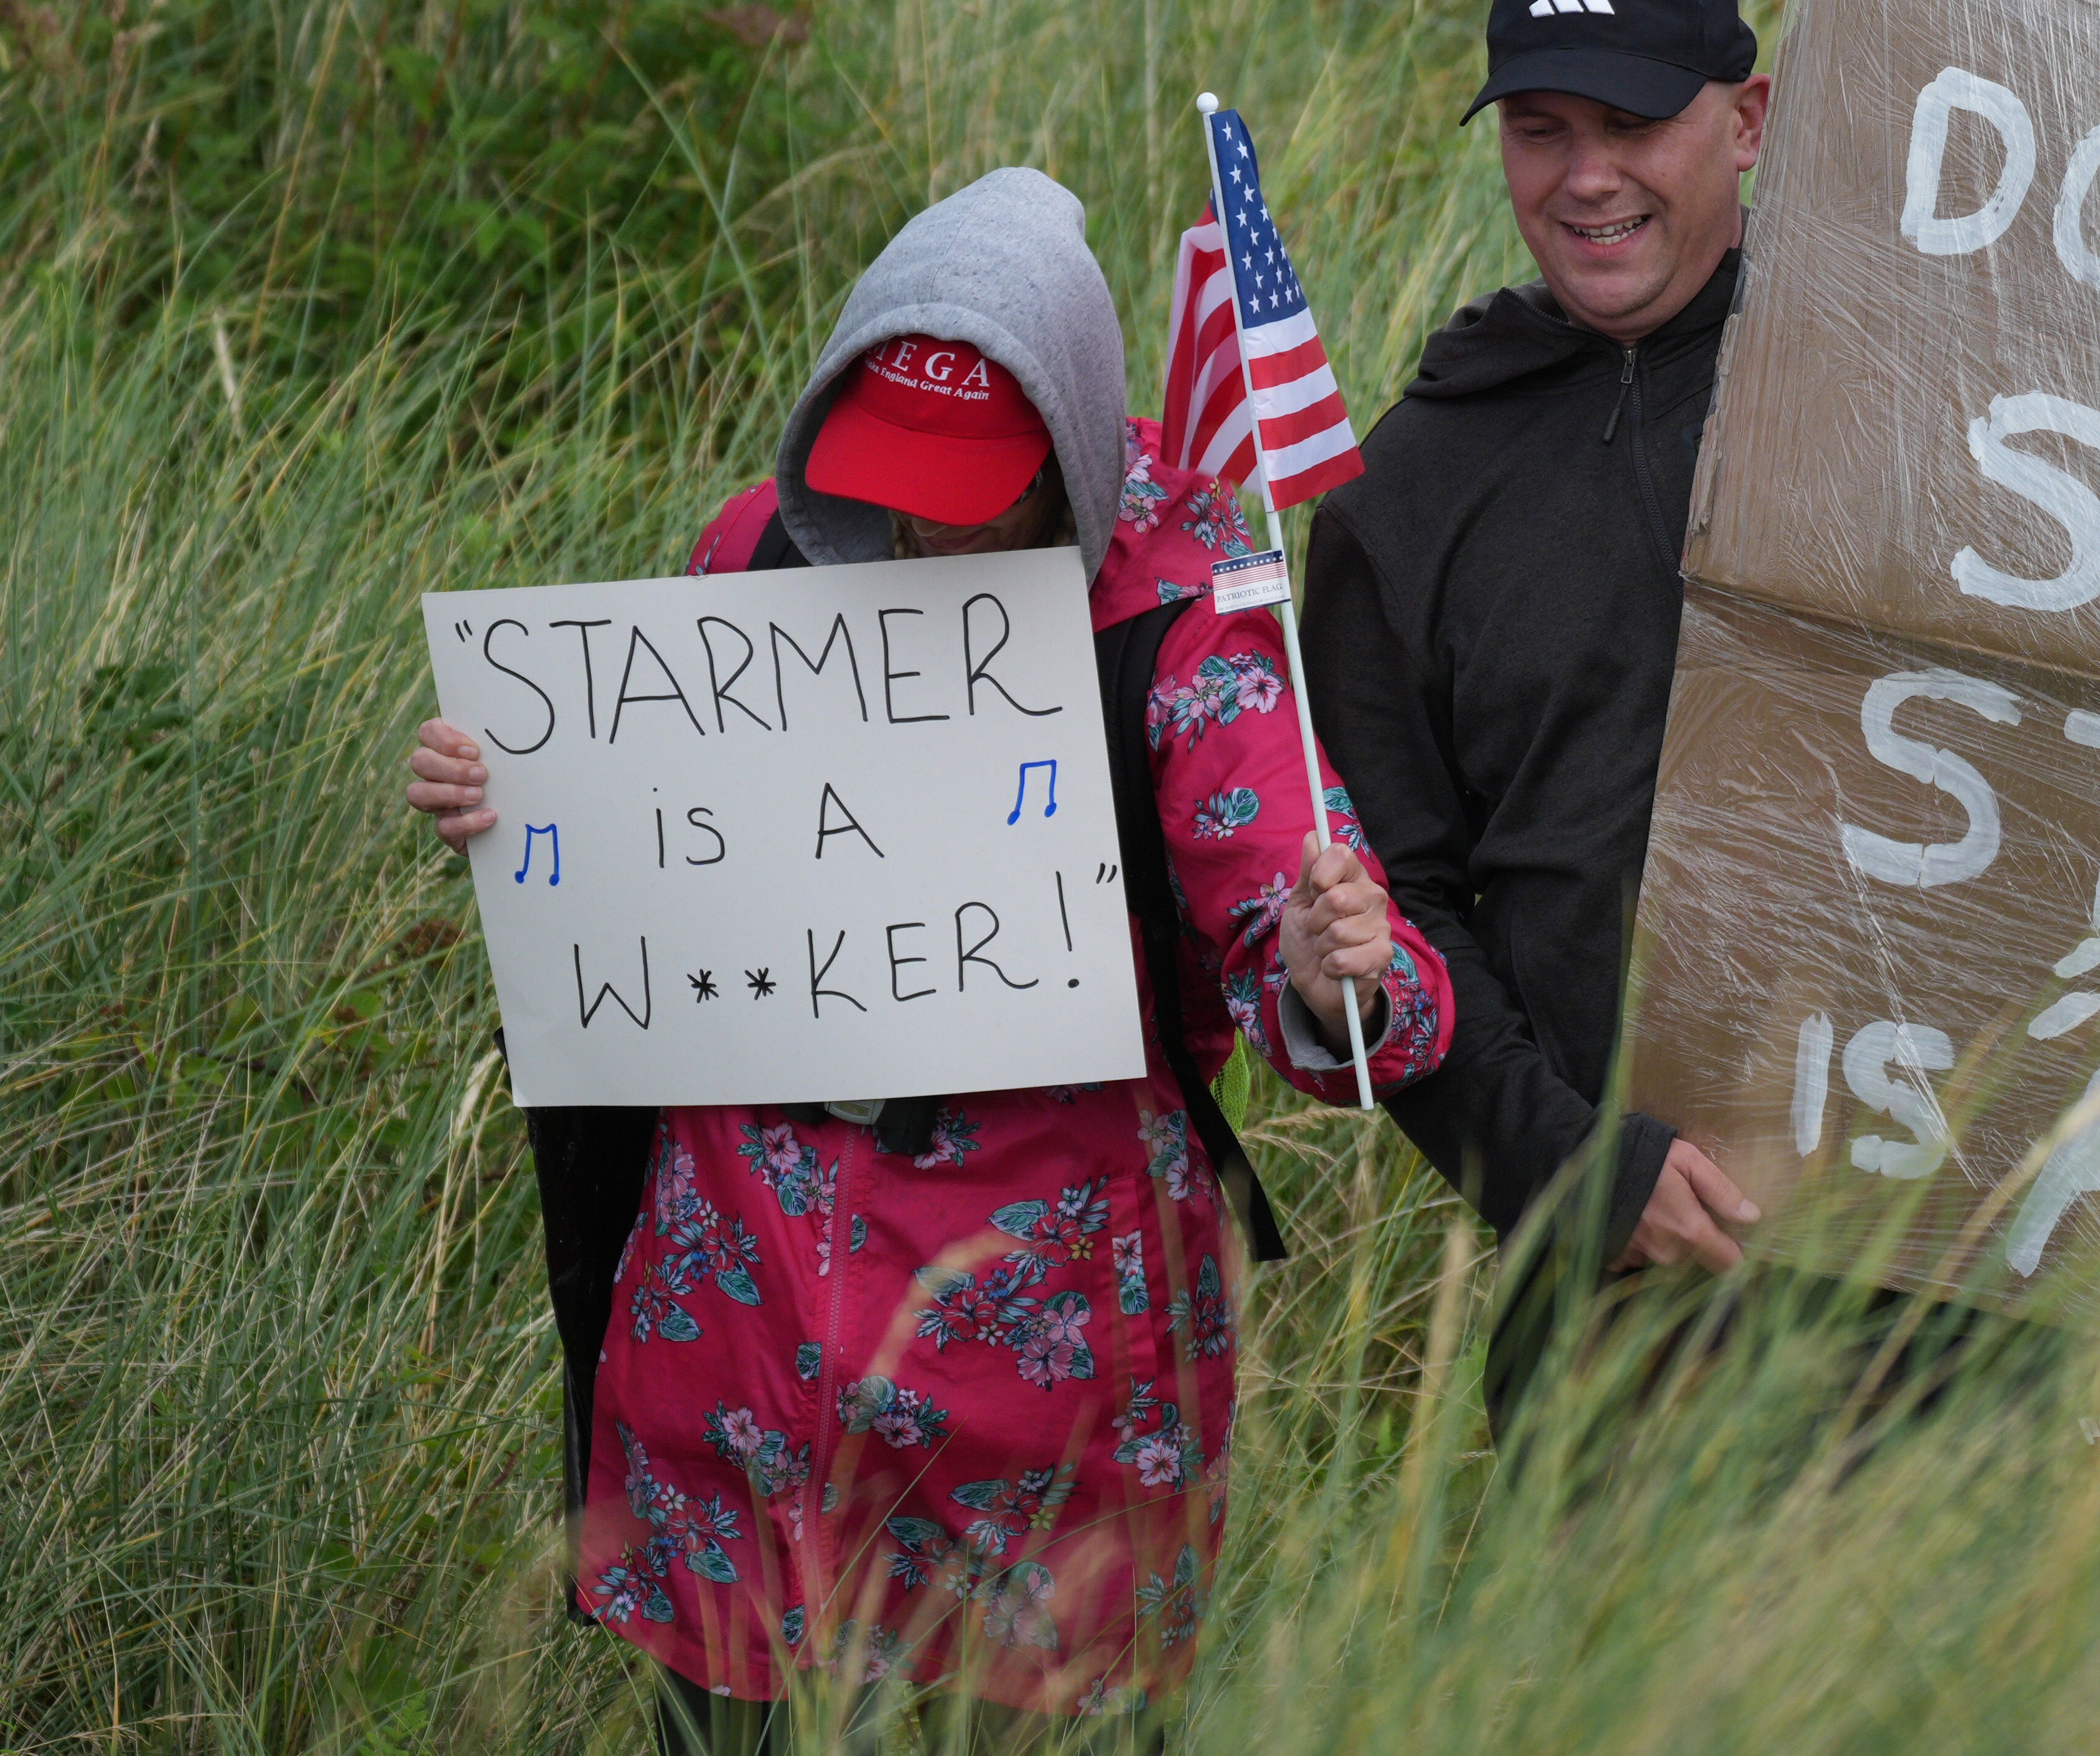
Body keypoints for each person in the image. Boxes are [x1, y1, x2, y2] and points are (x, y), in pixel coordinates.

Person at [402, 167, 1453, 1745]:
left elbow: (1332, 974)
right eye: (892, 479)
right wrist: (513, 802)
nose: (920, 528)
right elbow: (655, 849)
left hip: (1043, 1380)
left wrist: (1332, 965)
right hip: (738, 1331)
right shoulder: (753, 556)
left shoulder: (1183, 623)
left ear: (1076, 452)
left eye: (983, 493)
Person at [1298, 0, 1778, 1436]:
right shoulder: (1403, 495)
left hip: (1978, 1273)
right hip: (1628, 1296)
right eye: (1538, 129)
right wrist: (1574, 1176)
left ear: (1748, 122)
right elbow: (1396, 915)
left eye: (1635, 123)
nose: (1586, 178)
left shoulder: (1902, 389)